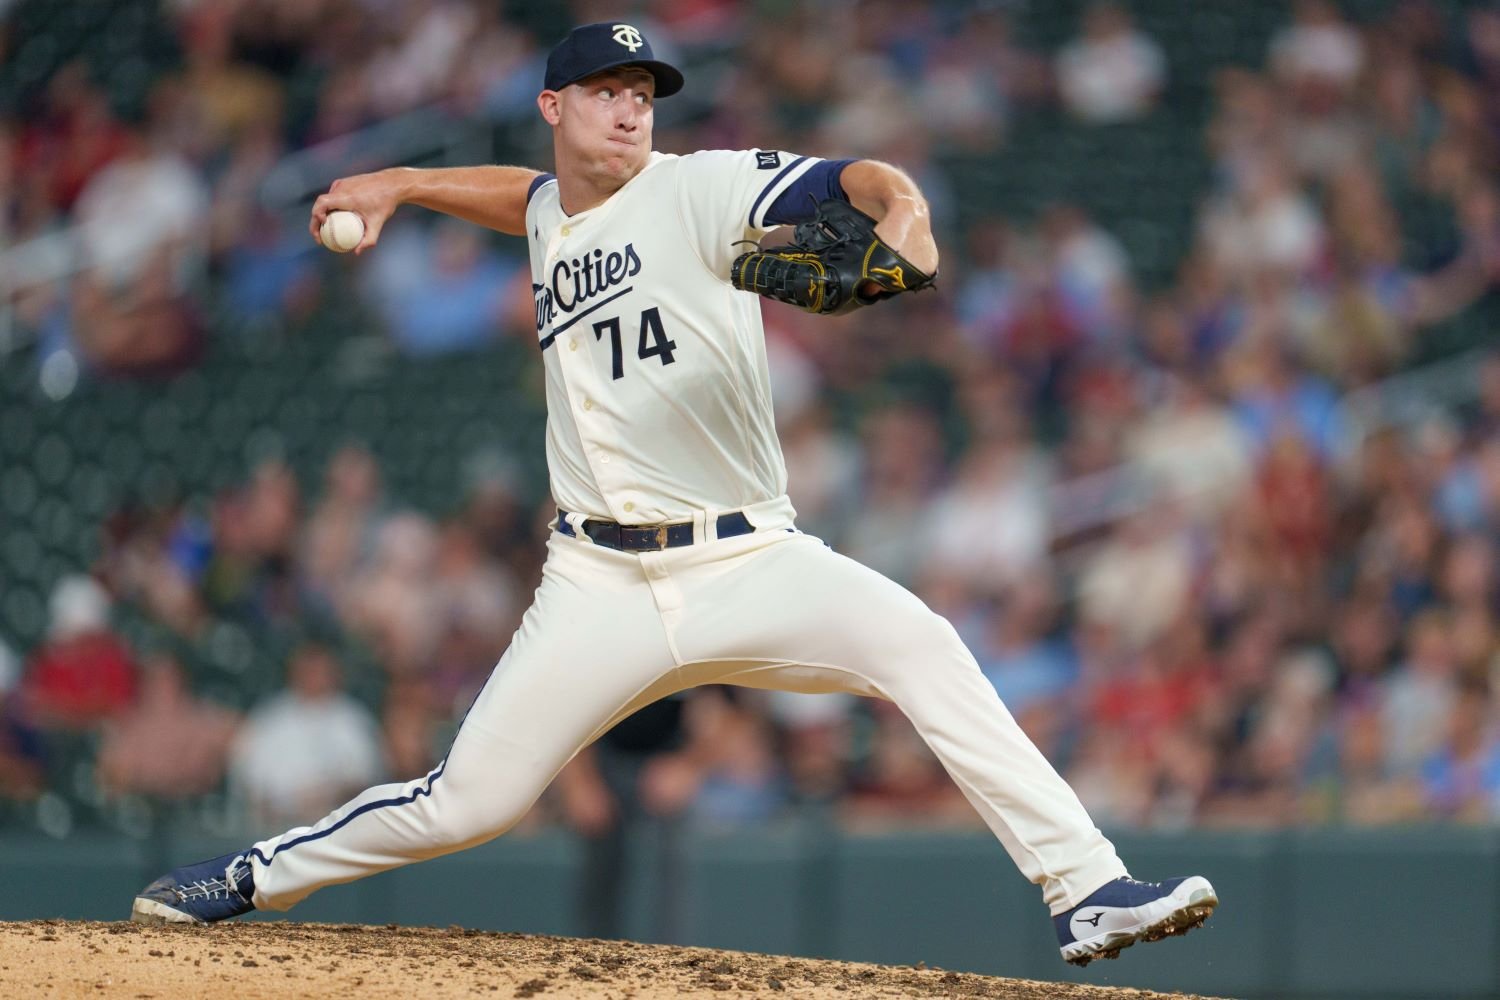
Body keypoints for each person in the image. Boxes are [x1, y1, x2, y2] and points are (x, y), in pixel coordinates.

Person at [131, 21, 1217, 966]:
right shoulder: (557, 208)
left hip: (750, 559)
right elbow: (528, 198)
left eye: (643, 95)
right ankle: (250, 876)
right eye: (607, 93)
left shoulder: (701, 186)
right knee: (469, 803)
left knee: (924, 645)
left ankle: (1089, 891)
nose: (630, 111)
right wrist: (402, 183)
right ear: (554, 105)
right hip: (598, 578)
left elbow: (861, 182)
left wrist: (907, 207)